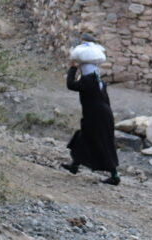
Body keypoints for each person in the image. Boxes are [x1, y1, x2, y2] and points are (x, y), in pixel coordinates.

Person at [62, 35, 120, 186]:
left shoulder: (88, 81)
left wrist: (73, 67)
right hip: (101, 115)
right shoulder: (97, 80)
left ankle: (114, 175)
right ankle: (74, 166)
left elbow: (70, 85)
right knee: (84, 137)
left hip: (96, 116)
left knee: (101, 142)